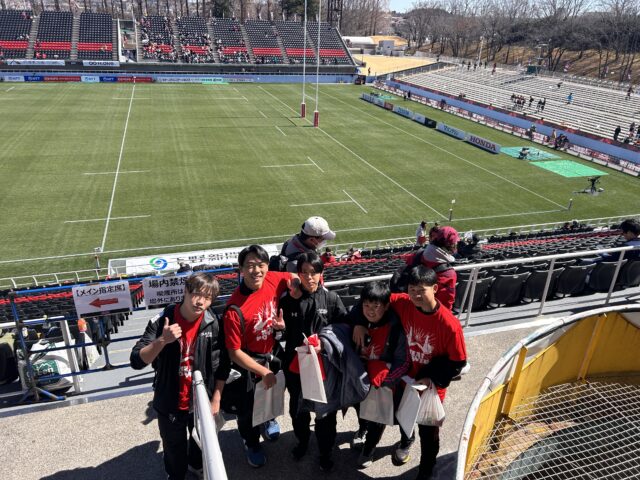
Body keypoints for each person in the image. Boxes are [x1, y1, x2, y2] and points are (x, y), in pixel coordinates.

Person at [130, 273, 229, 480]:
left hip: (201, 400)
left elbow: (222, 365)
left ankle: (196, 465)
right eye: (197, 294)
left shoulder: (213, 322)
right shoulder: (162, 320)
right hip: (170, 400)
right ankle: (176, 475)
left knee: (200, 442)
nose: (201, 302)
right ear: (185, 291)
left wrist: (216, 398)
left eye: (208, 298)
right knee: (173, 447)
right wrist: (162, 341)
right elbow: (136, 361)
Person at [222, 245, 299, 467]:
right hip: (249, 363)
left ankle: (268, 419)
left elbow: (293, 277)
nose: (257, 271)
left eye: (261, 265)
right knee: (247, 410)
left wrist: (295, 288)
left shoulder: (271, 278)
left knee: (271, 394)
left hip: (271, 354)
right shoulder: (234, 308)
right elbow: (234, 352)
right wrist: (263, 371)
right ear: (240, 269)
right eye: (250, 266)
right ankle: (251, 442)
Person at [389, 266, 466, 479]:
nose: (416, 295)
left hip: (431, 390)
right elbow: (375, 299)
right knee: (404, 417)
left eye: (421, 290)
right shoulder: (404, 303)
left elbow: (458, 363)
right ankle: (406, 441)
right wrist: (359, 324)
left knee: (429, 435)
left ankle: (426, 471)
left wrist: (429, 376)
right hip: (406, 381)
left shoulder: (450, 325)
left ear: (435, 288)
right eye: (412, 290)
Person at [278, 252, 347, 471]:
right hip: (295, 365)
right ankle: (302, 441)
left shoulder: (331, 298)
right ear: (298, 274)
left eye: (314, 272)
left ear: (321, 273)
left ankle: (325, 451)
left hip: (323, 367)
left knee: (325, 413)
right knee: (298, 409)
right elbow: (281, 333)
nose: (309, 277)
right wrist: (280, 330)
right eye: (304, 272)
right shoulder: (288, 300)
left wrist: (324, 345)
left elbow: (343, 329)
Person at [349, 282, 409, 469]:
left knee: (379, 418)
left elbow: (403, 360)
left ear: (386, 306)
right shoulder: (357, 321)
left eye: (376, 306)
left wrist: (388, 381)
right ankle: (362, 429)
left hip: (384, 383)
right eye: (366, 305)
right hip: (362, 380)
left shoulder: (396, 329)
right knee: (361, 409)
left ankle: (369, 449)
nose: (370, 310)